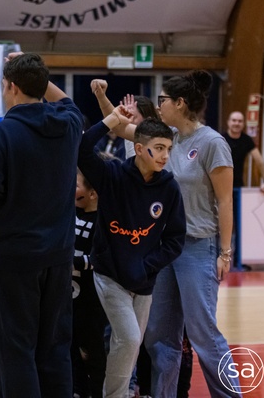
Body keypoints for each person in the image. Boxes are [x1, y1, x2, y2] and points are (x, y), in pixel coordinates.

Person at [0, 52, 83, 397]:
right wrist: (38, 76)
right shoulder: (69, 123)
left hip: (16, 258)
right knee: (55, 347)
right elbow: (68, 101)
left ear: (12, 87)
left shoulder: (4, 132)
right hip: (59, 256)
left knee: (16, 349)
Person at [140, 70, 241, 397]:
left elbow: (225, 201)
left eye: (163, 100)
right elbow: (130, 132)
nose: (159, 105)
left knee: (203, 335)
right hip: (164, 248)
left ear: (180, 103)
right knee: (158, 335)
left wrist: (225, 252)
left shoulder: (212, 143)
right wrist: (103, 100)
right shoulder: (168, 138)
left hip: (199, 247)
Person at [78, 107, 186, 397]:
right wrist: (110, 121)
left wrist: (148, 265)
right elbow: (81, 149)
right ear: (139, 149)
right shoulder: (111, 175)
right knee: (128, 338)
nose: (165, 155)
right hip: (110, 275)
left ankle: (115, 391)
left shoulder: (169, 188)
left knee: (130, 343)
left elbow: (175, 239)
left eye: (168, 149)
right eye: (158, 148)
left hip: (144, 282)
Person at [71, 169, 108, 398]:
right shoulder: (70, 212)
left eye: (76, 186)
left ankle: (96, 392)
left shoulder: (103, 222)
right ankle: (78, 391)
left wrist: (70, 262)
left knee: (93, 352)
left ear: (92, 194)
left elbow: (99, 259)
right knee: (69, 348)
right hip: (67, 299)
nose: (71, 190)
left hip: (91, 301)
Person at [221, 111, 264, 269]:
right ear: (228, 122)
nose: (236, 123)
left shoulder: (247, 140)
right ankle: (218, 259)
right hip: (220, 188)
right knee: (219, 225)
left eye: (239, 121)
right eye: (234, 120)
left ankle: (239, 262)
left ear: (243, 124)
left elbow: (259, 161)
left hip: (237, 188)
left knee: (240, 226)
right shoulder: (221, 139)